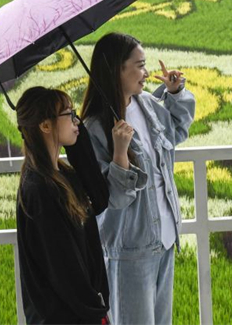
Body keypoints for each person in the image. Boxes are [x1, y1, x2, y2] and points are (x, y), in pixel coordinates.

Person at [80, 32, 195, 325]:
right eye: (139, 65)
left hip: (165, 239)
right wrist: (120, 153)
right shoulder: (95, 128)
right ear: (116, 69)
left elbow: (176, 131)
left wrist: (174, 93)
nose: (146, 73)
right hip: (130, 250)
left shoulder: (146, 105)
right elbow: (113, 199)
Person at [15, 86, 111, 324]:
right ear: (45, 126)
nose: (76, 120)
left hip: (80, 311)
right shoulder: (40, 189)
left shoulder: (63, 174)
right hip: (66, 316)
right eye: (68, 114)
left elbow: (99, 199)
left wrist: (76, 143)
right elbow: (62, 266)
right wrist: (94, 305)